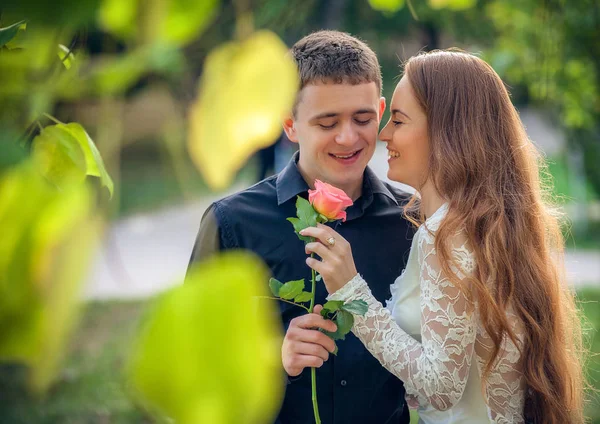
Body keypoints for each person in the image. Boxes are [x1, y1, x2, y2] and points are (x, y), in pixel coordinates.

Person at [299, 50, 585, 424]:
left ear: (446, 130)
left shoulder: (445, 234)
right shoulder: (484, 225)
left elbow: (440, 387)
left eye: (398, 121)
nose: (384, 135)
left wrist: (351, 290)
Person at [187, 31, 414, 424]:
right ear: (290, 125)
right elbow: (193, 363)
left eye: (362, 119)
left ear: (379, 111)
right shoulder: (231, 224)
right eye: (327, 123)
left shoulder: (412, 219)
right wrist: (275, 357)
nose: (348, 137)